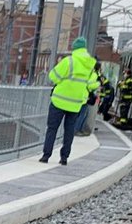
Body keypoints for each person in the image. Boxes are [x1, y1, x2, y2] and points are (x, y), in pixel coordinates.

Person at [40, 37, 99, 166]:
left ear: (74, 48)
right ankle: (64, 158)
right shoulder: (89, 66)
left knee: (52, 128)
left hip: (59, 101)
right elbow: (92, 85)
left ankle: (46, 155)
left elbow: (53, 77)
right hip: (76, 103)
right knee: (69, 130)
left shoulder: (69, 61)